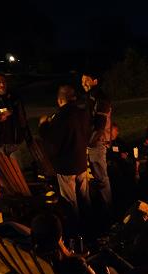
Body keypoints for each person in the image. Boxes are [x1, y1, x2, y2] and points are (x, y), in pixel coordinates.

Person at [39, 85, 90, 219]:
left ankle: (76, 227)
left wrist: (43, 126)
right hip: (81, 161)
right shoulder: (83, 113)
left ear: (60, 100)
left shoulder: (60, 117)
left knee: (70, 200)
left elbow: (52, 141)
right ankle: (90, 222)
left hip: (67, 166)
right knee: (85, 196)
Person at [81, 70, 113, 210]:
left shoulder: (100, 98)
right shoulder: (90, 96)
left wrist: (90, 143)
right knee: (96, 175)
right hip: (93, 140)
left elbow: (100, 125)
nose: (83, 84)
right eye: (82, 81)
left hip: (97, 141)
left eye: (86, 80)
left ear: (95, 81)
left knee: (100, 176)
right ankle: (101, 205)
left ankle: (108, 207)